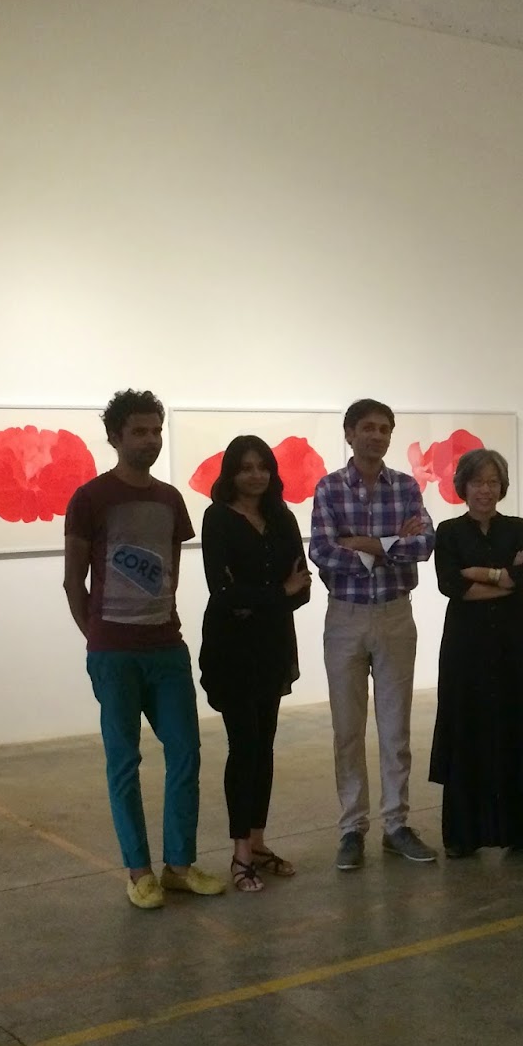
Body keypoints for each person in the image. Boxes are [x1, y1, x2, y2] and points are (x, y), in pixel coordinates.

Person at [64, 389, 224, 909]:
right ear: (115, 436)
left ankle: (179, 865)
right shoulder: (90, 499)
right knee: (123, 762)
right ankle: (139, 871)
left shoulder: (170, 500)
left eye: (156, 430)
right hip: (114, 653)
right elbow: (73, 580)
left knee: (186, 752)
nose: (150, 440)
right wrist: (97, 638)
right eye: (139, 431)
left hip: (166, 648)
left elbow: (170, 571)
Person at [309, 399, 438, 870]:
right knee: (347, 729)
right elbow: (322, 552)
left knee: (395, 727)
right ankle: (351, 828)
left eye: (385, 429)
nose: (377, 435)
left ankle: (396, 825)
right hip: (344, 617)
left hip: (395, 614)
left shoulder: (405, 486)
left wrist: (362, 544)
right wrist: (390, 544)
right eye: (368, 427)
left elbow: (424, 544)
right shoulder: (329, 488)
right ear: (349, 433)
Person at [198, 435, 311, 892]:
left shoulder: (282, 517)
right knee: (243, 746)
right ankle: (240, 852)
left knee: (264, 747)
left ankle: (259, 843)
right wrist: (278, 592)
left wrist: (262, 599)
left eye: (262, 466)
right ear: (231, 473)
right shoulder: (218, 518)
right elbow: (223, 593)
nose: (255, 475)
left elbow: (302, 587)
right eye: (246, 467)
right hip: (231, 650)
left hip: (272, 647)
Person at [428, 448, 523, 858]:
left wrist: (479, 573)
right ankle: (465, 835)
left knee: (518, 724)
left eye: (492, 482)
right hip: (466, 646)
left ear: (502, 487)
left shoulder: (518, 527)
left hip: (514, 643)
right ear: (463, 486)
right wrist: (502, 578)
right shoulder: (448, 531)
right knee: (469, 727)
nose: (485, 490)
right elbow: (451, 585)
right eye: (477, 482)